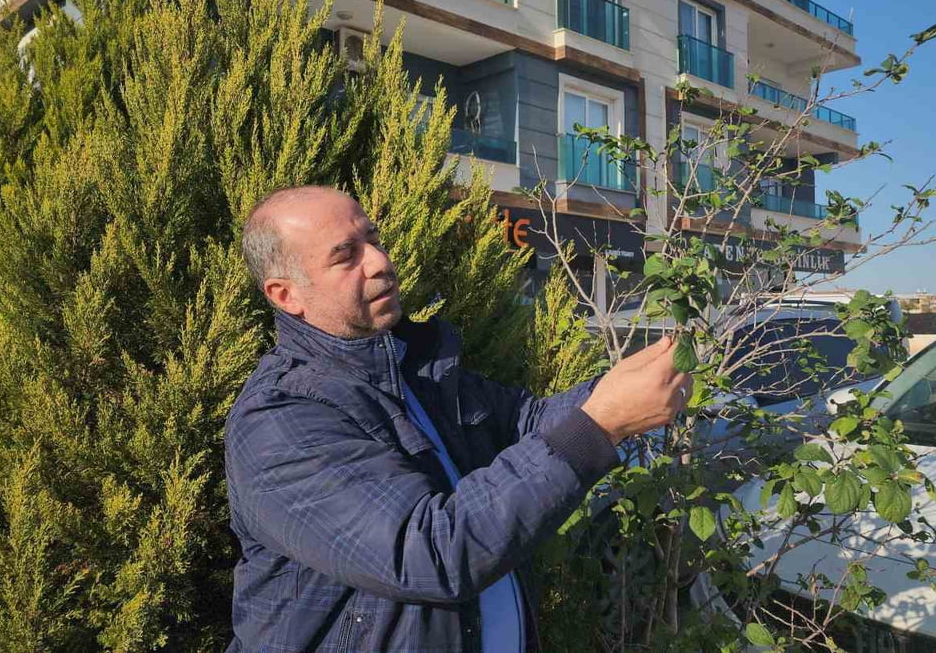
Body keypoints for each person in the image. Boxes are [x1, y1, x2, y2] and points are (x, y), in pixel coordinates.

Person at [225, 186, 691, 653]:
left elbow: (529, 421)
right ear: (286, 295)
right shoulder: (281, 421)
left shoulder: (410, 368)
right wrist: (598, 427)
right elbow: (429, 553)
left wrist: (620, 387)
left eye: (373, 238)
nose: (379, 262)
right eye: (345, 255)